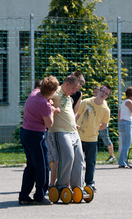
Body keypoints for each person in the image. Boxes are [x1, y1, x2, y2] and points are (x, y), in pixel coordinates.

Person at [19, 76, 60, 205]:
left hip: (25, 132)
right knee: (43, 166)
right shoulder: (45, 104)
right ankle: (39, 196)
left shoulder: (34, 94)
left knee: (31, 166)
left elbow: (41, 99)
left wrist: (48, 103)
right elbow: (49, 124)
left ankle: (24, 195)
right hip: (36, 136)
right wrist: (53, 110)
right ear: (52, 92)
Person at [48, 74, 85, 190]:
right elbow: (42, 98)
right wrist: (50, 104)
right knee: (68, 157)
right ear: (67, 84)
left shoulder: (68, 96)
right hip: (60, 132)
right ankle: (62, 185)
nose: (74, 92)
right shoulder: (56, 91)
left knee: (79, 159)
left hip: (73, 131)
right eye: (73, 89)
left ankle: (77, 186)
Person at [76, 84, 112, 192]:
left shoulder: (105, 110)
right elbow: (77, 115)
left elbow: (104, 125)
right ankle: (76, 182)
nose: (103, 94)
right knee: (76, 161)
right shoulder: (86, 102)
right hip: (78, 135)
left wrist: (95, 128)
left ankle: (90, 183)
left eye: (106, 94)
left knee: (90, 162)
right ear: (98, 90)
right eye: (102, 91)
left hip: (92, 138)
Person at [93, 86, 115, 162]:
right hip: (93, 125)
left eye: (96, 90)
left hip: (102, 125)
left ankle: (112, 156)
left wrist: (102, 124)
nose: (95, 92)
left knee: (106, 139)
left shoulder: (103, 102)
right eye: (94, 91)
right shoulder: (92, 101)